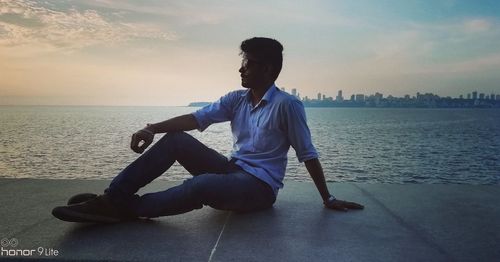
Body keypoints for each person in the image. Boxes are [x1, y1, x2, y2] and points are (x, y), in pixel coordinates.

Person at [52, 37, 364, 223]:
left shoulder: (287, 105)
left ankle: (124, 210)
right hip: (233, 171)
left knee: (201, 185)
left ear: (268, 69)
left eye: (249, 64)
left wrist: (327, 198)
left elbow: (307, 154)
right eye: (242, 63)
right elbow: (195, 120)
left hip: (259, 190)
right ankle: (113, 197)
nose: (241, 69)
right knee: (176, 141)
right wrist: (151, 128)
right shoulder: (236, 99)